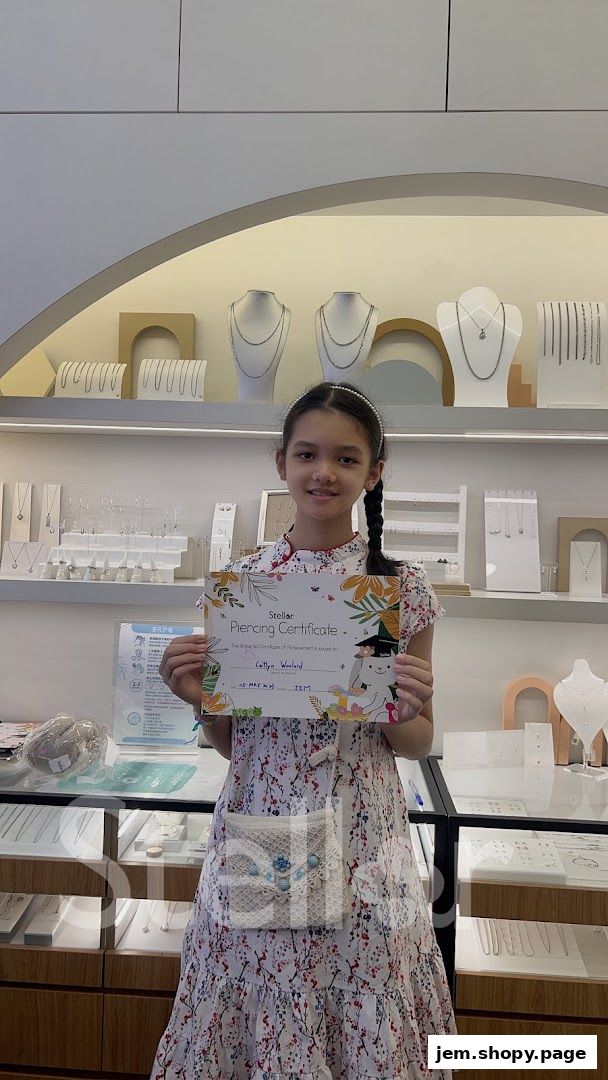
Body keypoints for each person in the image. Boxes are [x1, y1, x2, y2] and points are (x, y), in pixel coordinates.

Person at [152, 381, 456, 1079]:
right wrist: (201, 701)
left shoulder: (402, 590)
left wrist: (408, 711)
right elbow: (235, 744)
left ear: (374, 472)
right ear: (281, 462)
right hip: (262, 821)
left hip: (363, 833)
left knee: (364, 991)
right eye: (308, 454)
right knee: (261, 982)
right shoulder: (246, 584)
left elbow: (414, 742)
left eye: (346, 459)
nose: (324, 472)